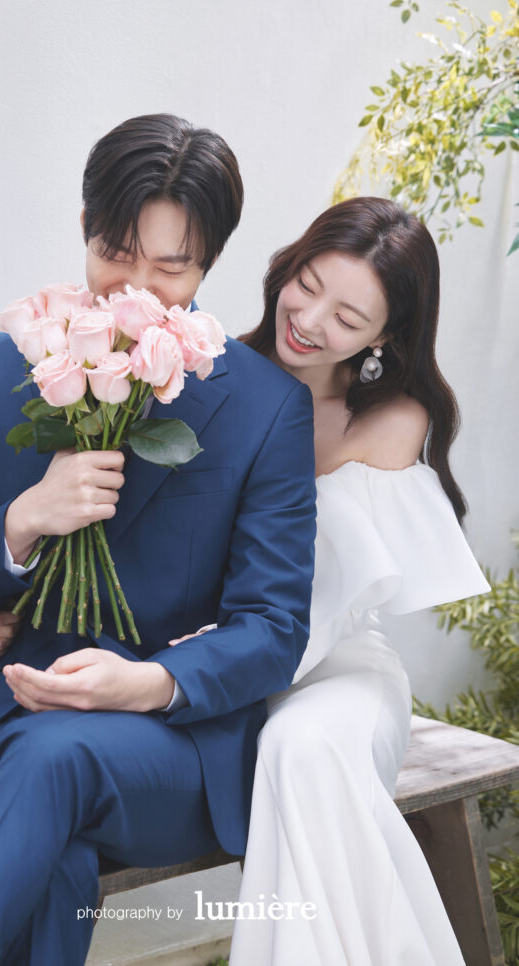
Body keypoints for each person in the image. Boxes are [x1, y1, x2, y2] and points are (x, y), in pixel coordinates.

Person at [0, 114, 317, 966]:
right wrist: (25, 519)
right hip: (13, 725)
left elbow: (272, 629)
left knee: (56, 764)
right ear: (85, 226)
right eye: (117, 252)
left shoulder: (267, 409)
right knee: (52, 852)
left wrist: (146, 683)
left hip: (175, 750)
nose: (137, 290)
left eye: (170, 268)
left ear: (209, 263)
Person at [174, 196, 490, 965]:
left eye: (349, 318)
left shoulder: (390, 418)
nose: (310, 321)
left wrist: (204, 665)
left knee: (303, 746)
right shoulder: (206, 371)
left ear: (385, 337)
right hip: (205, 662)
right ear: (288, 265)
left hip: (333, 667)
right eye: (307, 285)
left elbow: (329, 594)